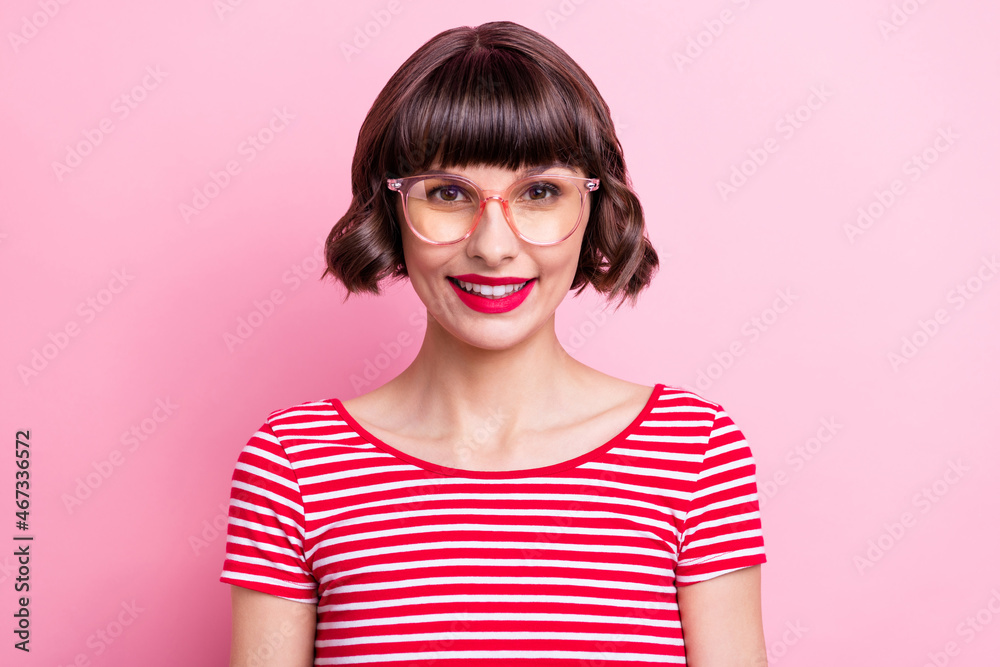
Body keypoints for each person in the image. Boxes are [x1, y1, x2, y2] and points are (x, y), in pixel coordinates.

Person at [221, 20, 767, 667]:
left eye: (540, 192)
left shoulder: (694, 453)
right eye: (447, 193)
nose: (493, 245)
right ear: (389, 208)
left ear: (593, 206)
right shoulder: (294, 467)